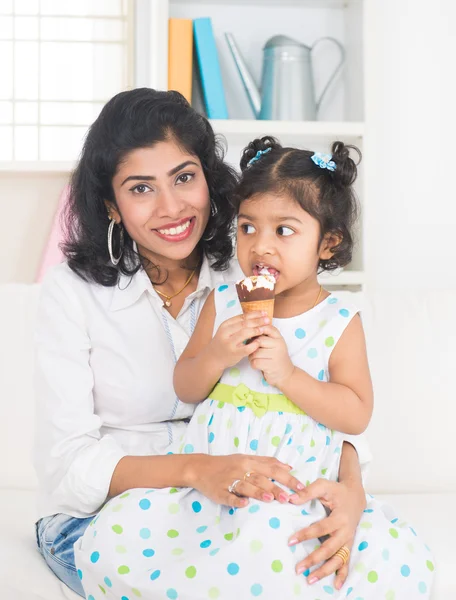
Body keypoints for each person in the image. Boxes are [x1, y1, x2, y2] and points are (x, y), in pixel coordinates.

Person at [34, 89, 370, 599]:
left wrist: (352, 494)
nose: (171, 208)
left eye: (184, 178)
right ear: (111, 205)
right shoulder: (72, 294)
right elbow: (68, 465)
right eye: (141, 188)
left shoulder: (257, 266)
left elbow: (333, 405)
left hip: (240, 510)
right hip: (116, 514)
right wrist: (196, 470)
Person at [74, 136, 435, 599]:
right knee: (120, 544)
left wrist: (289, 375)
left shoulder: (339, 321)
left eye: (283, 231)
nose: (260, 247)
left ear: (328, 243)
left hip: (290, 490)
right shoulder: (224, 303)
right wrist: (217, 355)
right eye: (247, 228)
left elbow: (355, 413)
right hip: (213, 487)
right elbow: (185, 386)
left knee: (274, 552)